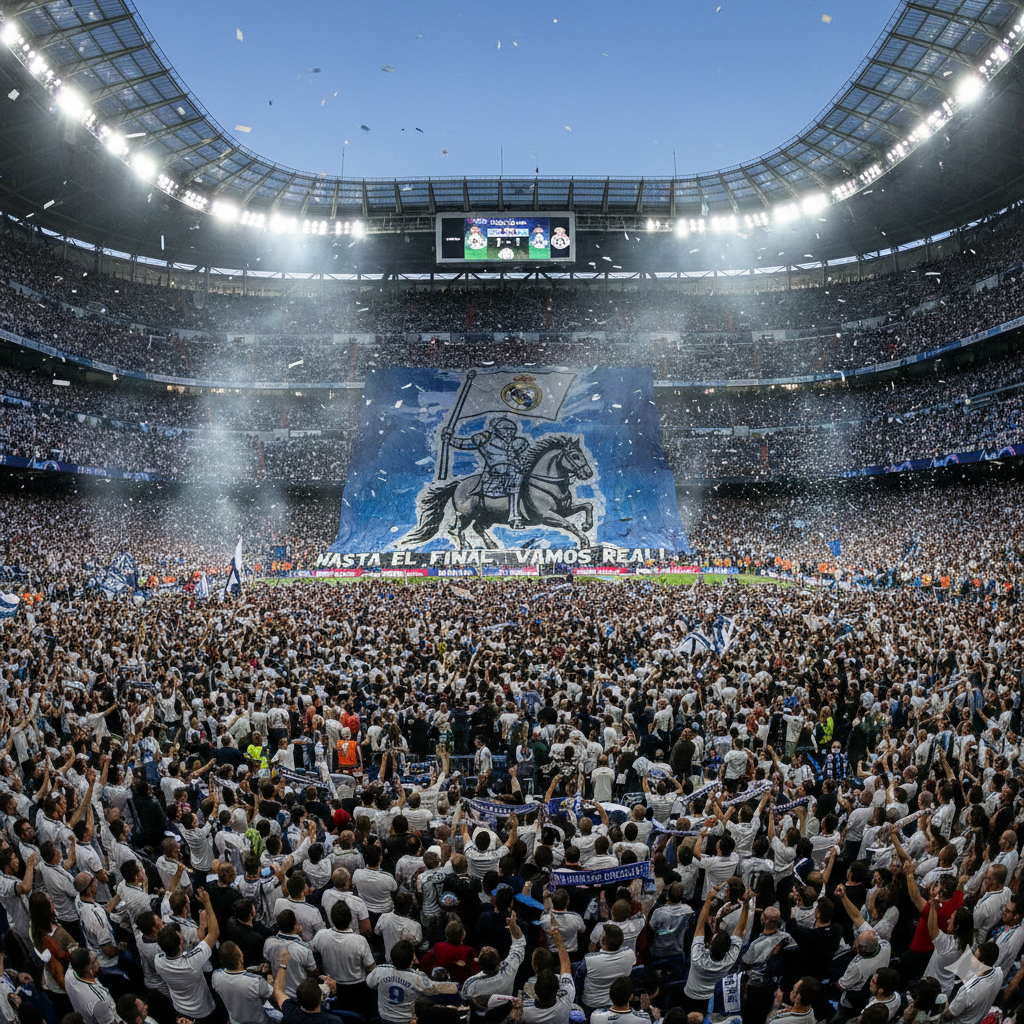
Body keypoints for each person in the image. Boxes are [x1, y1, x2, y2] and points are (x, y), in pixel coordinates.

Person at [153, 886, 220, 1024]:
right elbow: (214, 934)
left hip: (180, 1006)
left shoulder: (158, 961)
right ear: (181, 946)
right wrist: (207, 903)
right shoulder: (191, 963)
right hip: (202, 1010)